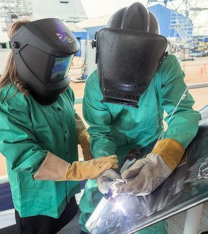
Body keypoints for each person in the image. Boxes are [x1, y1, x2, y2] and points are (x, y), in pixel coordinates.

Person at [0, 19, 119, 234]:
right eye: (57, 64)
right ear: (36, 60)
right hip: (37, 202)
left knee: (67, 226)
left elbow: (70, 117)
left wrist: (85, 138)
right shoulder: (7, 103)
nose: (61, 70)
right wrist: (77, 170)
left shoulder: (61, 90)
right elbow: (25, 155)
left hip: (65, 192)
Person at [79, 2, 201, 234]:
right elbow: (100, 131)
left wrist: (160, 162)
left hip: (150, 149)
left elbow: (182, 113)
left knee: (150, 218)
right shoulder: (95, 82)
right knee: (94, 209)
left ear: (155, 58)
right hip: (111, 150)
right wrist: (104, 165)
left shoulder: (166, 69)